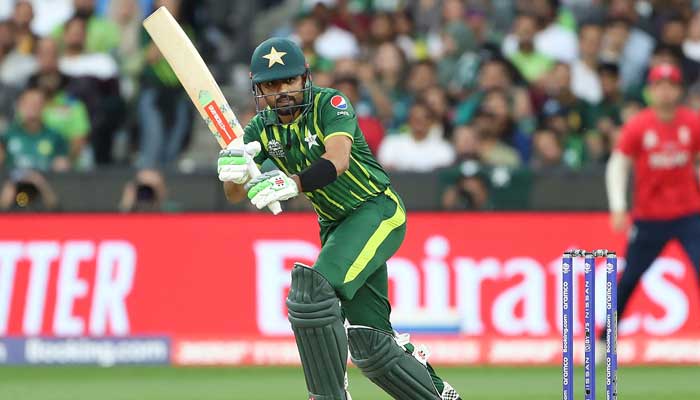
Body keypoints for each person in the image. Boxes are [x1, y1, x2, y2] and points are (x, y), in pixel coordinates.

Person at [217, 37, 461, 400]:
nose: (281, 91)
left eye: (289, 81)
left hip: (375, 210)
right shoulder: (260, 129)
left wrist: (292, 182)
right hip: (335, 226)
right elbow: (236, 195)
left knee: (311, 296)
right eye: (271, 85)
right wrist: (233, 171)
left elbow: (337, 159)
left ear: (305, 78)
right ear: (259, 89)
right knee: (372, 346)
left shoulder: (330, 103)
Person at [604, 63, 700, 342]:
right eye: (660, 86)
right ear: (650, 90)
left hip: (689, 214)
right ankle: (602, 340)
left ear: (679, 90)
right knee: (630, 279)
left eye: (671, 86)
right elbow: (618, 165)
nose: (666, 92)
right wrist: (618, 205)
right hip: (649, 217)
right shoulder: (639, 126)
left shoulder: (692, 123)